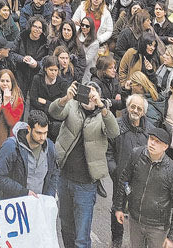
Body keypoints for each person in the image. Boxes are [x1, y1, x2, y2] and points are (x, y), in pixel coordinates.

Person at [49, 80, 120, 248]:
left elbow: (114, 132)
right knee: (66, 226)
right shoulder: (72, 105)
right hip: (64, 177)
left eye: (93, 95)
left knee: (81, 236)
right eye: (86, 93)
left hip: (86, 184)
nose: (88, 98)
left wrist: (102, 106)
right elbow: (53, 111)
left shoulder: (102, 114)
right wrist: (65, 98)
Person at [113, 122, 173, 248]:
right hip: (135, 219)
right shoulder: (136, 154)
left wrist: (172, 236)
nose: (152, 143)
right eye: (151, 139)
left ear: (165, 147)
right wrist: (119, 207)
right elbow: (123, 180)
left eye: (157, 141)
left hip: (157, 227)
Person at [0, 110, 59, 202]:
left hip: (39, 206)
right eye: (39, 133)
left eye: (45, 133)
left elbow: (54, 173)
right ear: (29, 128)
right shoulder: (11, 146)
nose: (43, 137)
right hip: (16, 205)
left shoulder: (50, 147)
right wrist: (24, 192)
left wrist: (49, 196)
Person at [107, 94, 150, 248]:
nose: (135, 110)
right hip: (120, 178)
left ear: (143, 112)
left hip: (140, 181)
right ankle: (116, 241)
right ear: (127, 107)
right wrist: (115, 170)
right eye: (133, 106)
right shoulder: (116, 125)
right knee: (117, 208)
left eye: (139, 108)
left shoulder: (149, 130)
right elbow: (108, 150)